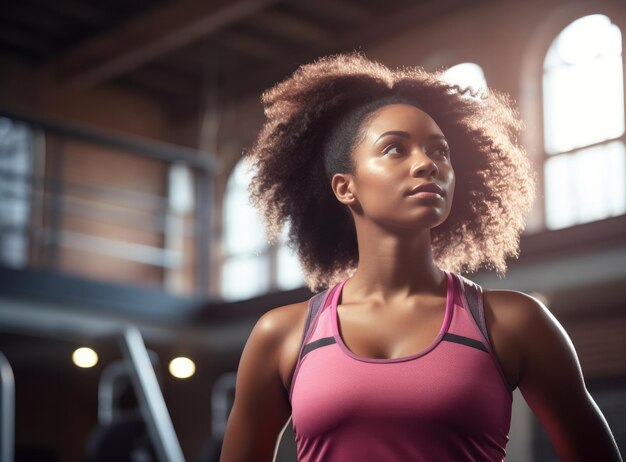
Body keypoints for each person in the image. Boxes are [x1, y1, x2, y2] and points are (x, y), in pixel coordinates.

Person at [219, 53, 622, 462]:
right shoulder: (282, 335)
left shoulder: (514, 323)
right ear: (345, 187)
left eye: (440, 152)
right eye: (395, 149)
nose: (428, 164)